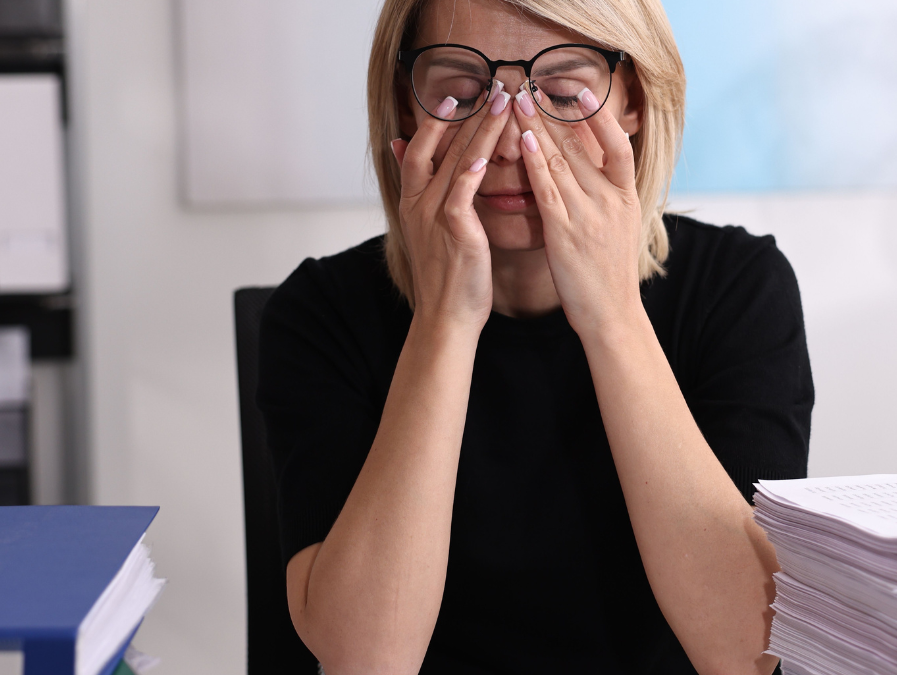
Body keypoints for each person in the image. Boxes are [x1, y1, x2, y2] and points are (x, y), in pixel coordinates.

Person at [256, 0, 813, 672]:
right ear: (406, 111)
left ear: (632, 103)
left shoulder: (738, 289)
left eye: (562, 93)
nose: (514, 138)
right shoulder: (320, 314)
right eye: (463, 95)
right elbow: (364, 660)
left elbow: (748, 652)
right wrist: (445, 323)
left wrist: (611, 314)